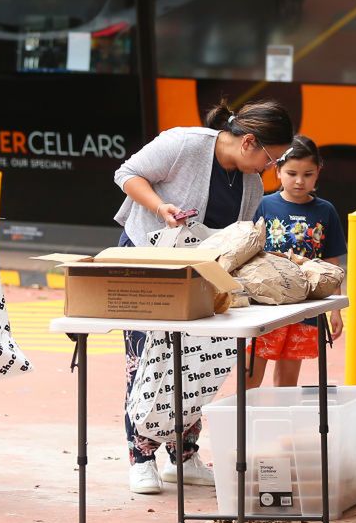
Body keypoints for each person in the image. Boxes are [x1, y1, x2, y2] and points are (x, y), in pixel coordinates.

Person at [114, 100, 294, 494]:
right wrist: (161, 207)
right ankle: (140, 456)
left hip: (202, 274)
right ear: (248, 142)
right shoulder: (185, 144)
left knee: (200, 363)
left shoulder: (250, 183)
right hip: (150, 261)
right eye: (270, 159)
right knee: (148, 361)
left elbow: (240, 237)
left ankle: (183, 455)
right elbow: (126, 173)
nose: (270, 169)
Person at [245, 135, 345, 389]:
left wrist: (335, 308)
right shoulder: (262, 205)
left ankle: (279, 427)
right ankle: (243, 425)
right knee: (251, 373)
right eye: (291, 173)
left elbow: (331, 264)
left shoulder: (327, 211)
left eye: (308, 174)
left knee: (288, 379)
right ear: (277, 170)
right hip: (266, 304)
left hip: (306, 307)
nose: (299, 181)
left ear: (318, 172)